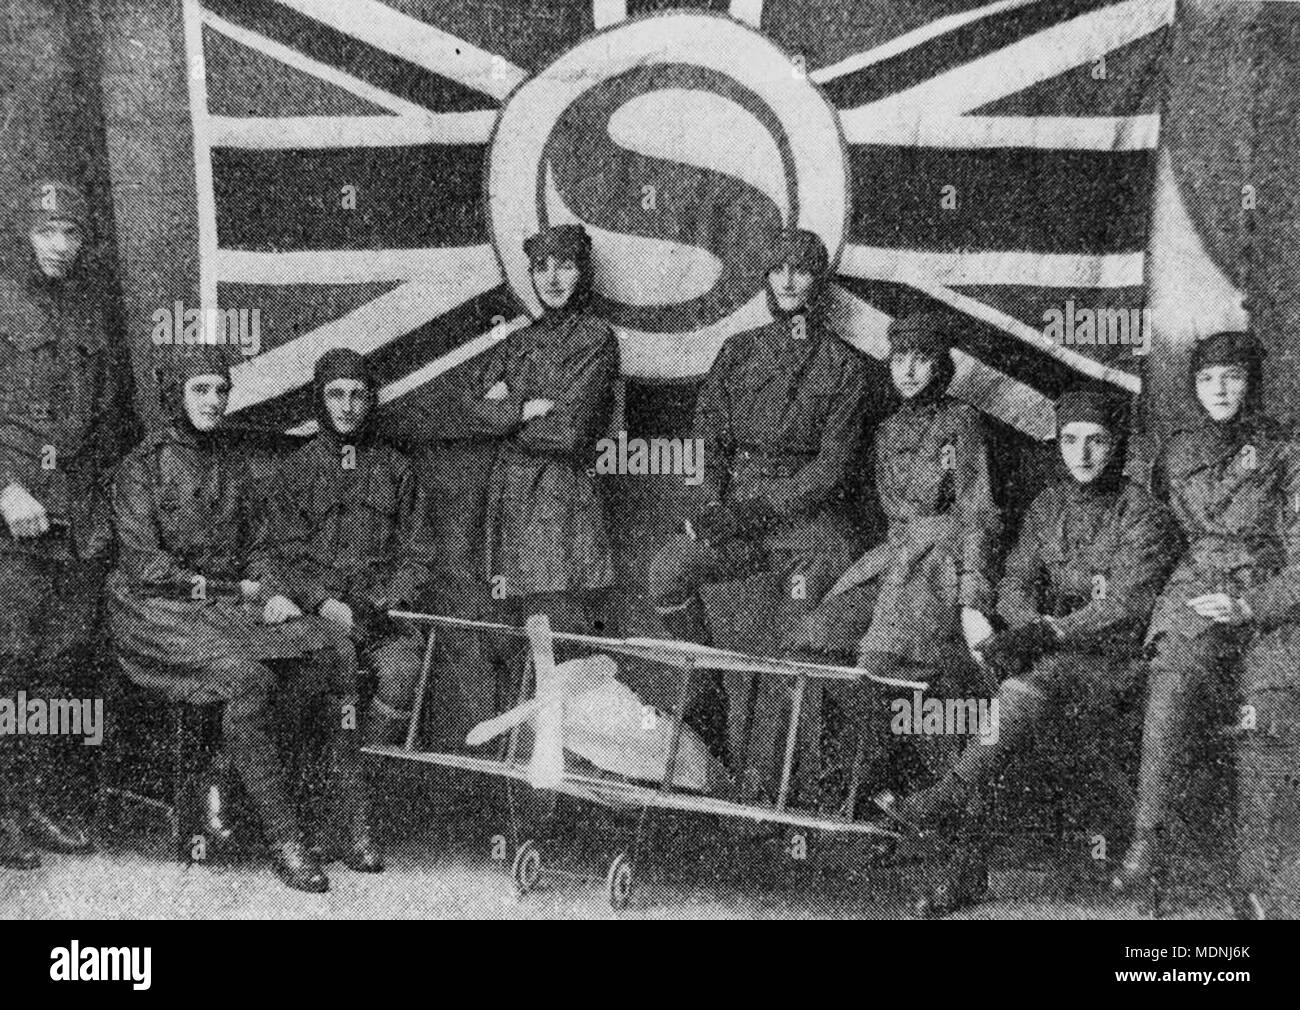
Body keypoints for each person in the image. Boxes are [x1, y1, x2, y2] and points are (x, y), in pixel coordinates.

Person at [873, 387, 1178, 916]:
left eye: (1097, 442)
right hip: (1044, 653)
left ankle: (942, 799)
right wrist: (1025, 626)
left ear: (1118, 446)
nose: (1081, 454)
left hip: (1115, 665)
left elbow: (1128, 605)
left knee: (1029, 684)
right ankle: (963, 869)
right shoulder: (1048, 505)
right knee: (951, 677)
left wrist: (1051, 632)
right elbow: (1016, 580)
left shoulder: (1144, 516)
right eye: (1070, 440)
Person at [106, 347, 378, 892]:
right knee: (247, 676)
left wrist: (272, 592)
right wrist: (238, 590)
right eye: (199, 390)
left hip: (226, 604)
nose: (212, 402)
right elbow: (147, 565)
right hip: (156, 611)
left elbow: (257, 546)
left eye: (220, 390)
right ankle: (286, 839)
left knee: (332, 649)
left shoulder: (234, 462)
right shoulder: (143, 466)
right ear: (176, 396)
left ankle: (270, 786)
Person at [646, 227, 870, 795]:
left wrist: (748, 517)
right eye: (778, 269)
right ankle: (705, 695)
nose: (789, 281)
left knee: (782, 653)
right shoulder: (739, 352)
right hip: (735, 514)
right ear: (765, 277)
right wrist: (713, 513)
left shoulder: (846, 367)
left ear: (819, 281)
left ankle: (764, 790)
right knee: (668, 573)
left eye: (801, 270)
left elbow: (830, 470)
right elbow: (705, 445)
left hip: (808, 530)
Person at [1112, 331, 1300, 918]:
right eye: (1208, 378)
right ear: (1194, 387)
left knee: (1265, 717)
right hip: (1197, 593)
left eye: (1233, 376)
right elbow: (1150, 533)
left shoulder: (1286, 449)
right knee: (1174, 689)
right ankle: (1147, 857)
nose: (1220, 389)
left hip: (1273, 601)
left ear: (1253, 382)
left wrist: (1254, 605)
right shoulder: (1175, 451)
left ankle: (1262, 888)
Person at [790, 312, 1000, 813]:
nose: (907, 371)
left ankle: (893, 795)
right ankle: (877, 768)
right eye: (900, 359)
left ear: (939, 367)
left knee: (887, 664)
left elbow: (977, 512)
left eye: (921, 360)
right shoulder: (886, 430)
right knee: (812, 641)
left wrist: (972, 595)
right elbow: (891, 515)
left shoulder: (960, 422)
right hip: (893, 557)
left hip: (940, 561)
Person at [0, 180, 134, 869]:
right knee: (10, 664)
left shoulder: (93, 309)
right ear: (25, 233)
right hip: (16, 518)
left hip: (77, 518)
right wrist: (5, 489)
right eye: (47, 231)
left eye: (71, 233)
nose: (59, 245)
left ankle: (33, 805)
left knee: (56, 672)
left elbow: (109, 416)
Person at [461, 223, 618, 682]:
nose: (552, 279)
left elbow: (570, 431)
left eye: (565, 266)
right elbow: (467, 406)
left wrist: (503, 414)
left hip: (558, 500)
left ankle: (564, 754)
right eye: (541, 268)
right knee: (509, 644)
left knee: (561, 643)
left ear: (582, 272)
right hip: (507, 501)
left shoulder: (595, 339)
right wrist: (526, 408)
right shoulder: (516, 341)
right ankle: (520, 753)